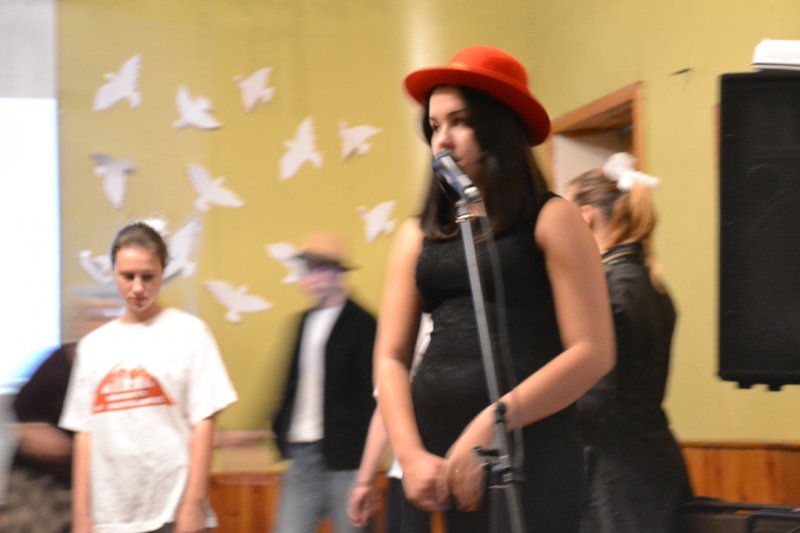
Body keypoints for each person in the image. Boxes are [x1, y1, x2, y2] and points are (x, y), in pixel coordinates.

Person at [375, 45, 615, 533]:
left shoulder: (553, 218)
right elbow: (390, 357)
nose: (442, 140)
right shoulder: (415, 234)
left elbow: (593, 352)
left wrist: (493, 422)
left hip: (531, 455)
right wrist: (410, 454)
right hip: (437, 462)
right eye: (434, 126)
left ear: (499, 126)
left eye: (459, 121)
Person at [59, 222, 238, 533]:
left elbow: (205, 422)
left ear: (162, 273)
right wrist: (81, 515)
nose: (138, 287)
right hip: (111, 516)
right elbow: (84, 433)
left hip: (170, 510)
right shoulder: (93, 347)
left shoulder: (190, 333)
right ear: (114, 273)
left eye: (147, 276)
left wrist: (192, 503)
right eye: (128, 276)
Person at [565, 155, 693, 533]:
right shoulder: (654, 287)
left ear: (585, 217)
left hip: (614, 481)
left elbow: (594, 401)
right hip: (657, 464)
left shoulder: (605, 291)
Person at [271, 233, 377, 533]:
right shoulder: (302, 322)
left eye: (320, 268)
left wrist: (367, 468)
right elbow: (290, 387)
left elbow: (372, 396)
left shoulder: (363, 323)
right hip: (302, 455)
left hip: (347, 460)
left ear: (338, 272)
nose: (312, 278)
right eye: (308, 270)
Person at [347, 316, 433, 533]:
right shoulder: (418, 320)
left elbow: (386, 409)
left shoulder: (417, 320)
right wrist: (364, 481)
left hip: (423, 478)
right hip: (413, 477)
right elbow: (386, 408)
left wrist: (364, 481)